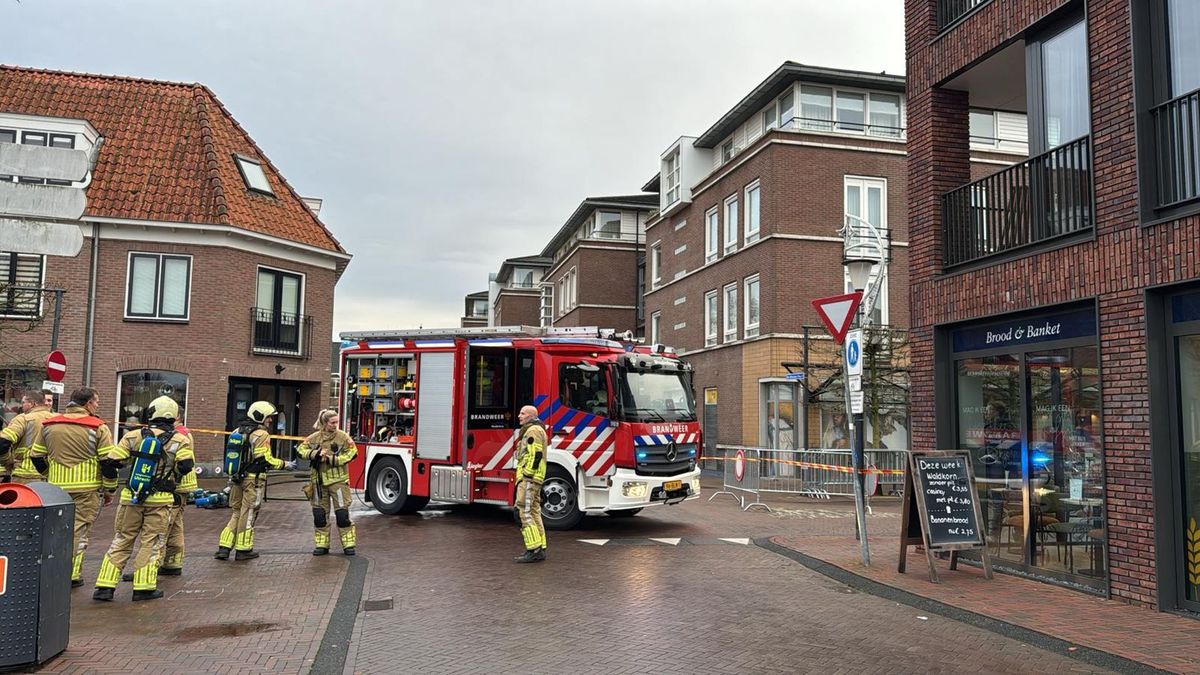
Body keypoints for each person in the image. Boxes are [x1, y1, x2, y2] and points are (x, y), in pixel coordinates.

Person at [93, 396, 193, 602]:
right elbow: (186, 467)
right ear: (174, 417)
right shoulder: (180, 440)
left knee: (122, 539)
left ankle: (104, 586)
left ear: (151, 413)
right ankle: (143, 588)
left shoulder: (132, 436)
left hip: (131, 497)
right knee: (152, 542)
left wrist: (113, 484)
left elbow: (112, 462)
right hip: (160, 500)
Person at [30, 387, 119, 587]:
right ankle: (70, 575)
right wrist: (110, 490)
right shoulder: (98, 427)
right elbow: (108, 463)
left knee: (54, 530)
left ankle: (50, 570)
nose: (97, 406)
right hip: (86, 489)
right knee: (78, 532)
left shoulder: (49, 425)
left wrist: (49, 474)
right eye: (96, 402)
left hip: (57, 489)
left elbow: (36, 456)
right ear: (88, 403)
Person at [215, 401, 294, 561]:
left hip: (236, 479)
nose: (270, 420)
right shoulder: (261, 434)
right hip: (253, 481)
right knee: (249, 513)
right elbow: (263, 459)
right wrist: (285, 464)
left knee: (237, 512)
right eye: (268, 417)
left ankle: (224, 547)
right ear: (260, 416)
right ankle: (243, 549)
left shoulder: (237, 431)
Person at [298, 409, 358, 556]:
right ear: (325, 423)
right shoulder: (314, 438)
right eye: (332, 422)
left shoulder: (343, 437)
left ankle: (348, 545)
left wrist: (334, 460)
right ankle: (322, 545)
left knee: (342, 515)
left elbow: (353, 453)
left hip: (338, 482)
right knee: (319, 515)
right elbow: (300, 450)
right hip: (318, 483)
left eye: (337, 422)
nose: (335, 425)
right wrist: (315, 454)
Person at [513, 404, 548, 563]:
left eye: (522, 413)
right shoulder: (537, 429)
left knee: (523, 511)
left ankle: (533, 549)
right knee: (534, 511)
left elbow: (536, 454)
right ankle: (540, 547)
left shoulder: (532, 430)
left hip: (529, 478)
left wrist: (527, 473)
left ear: (531, 416)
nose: (519, 416)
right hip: (535, 478)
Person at [0, 388, 55, 484]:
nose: (22, 405)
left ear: (32, 404)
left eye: (23, 402)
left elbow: (3, 442)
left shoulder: (22, 419)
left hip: (25, 477)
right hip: (51, 477)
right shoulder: (57, 419)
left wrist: (7, 461)